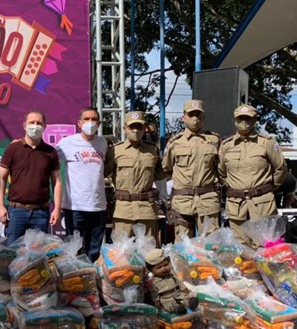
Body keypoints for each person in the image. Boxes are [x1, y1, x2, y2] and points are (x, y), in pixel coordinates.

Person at [218, 104, 287, 246]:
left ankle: (264, 269)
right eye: (240, 118)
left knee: (265, 245)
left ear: (255, 119)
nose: (244, 122)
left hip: (262, 202)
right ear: (235, 121)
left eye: (248, 118)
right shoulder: (226, 145)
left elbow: (280, 169)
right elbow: (221, 172)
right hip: (236, 204)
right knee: (240, 246)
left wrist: (268, 189)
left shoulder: (267, 143)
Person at [56, 107, 115, 261]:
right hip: (75, 206)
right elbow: (47, 157)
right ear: (79, 123)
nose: (90, 123)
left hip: (98, 206)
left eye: (94, 119)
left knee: (94, 251)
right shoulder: (68, 143)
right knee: (73, 251)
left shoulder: (103, 143)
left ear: (100, 123)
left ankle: (91, 279)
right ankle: (73, 281)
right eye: (87, 119)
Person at [0, 110, 62, 244]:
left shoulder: (51, 152)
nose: (35, 126)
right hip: (16, 211)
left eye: (39, 123)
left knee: (37, 256)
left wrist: (56, 209)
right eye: (31, 122)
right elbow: (2, 178)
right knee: (13, 253)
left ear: (45, 126)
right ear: (24, 125)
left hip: (41, 213)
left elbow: (56, 182)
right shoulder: (13, 148)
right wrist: (1, 206)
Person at [162, 100, 221, 239]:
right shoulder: (175, 143)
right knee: (182, 246)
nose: (195, 118)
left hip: (207, 199)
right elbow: (166, 168)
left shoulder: (214, 140)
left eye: (198, 115)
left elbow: (221, 168)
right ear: (184, 117)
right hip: (182, 200)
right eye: (191, 114)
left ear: (203, 118)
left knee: (211, 244)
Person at [112, 111, 166, 240]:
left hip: (146, 209)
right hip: (123, 209)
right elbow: (104, 173)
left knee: (149, 250)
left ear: (144, 129)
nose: (135, 131)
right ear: (125, 129)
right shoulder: (115, 151)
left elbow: (160, 173)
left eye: (139, 127)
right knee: (121, 252)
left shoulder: (152, 150)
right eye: (132, 127)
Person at [145, 248, 198, 314]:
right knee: (170, 304)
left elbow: (179, 282)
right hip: (166, 297)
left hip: (177, 293)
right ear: (151, 270)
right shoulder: (153, 282)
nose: (164, 268)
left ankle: (190, 303)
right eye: (159, 267)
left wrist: (184, 288)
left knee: (184, 298)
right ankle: (177, 309)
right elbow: (154, 293)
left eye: (166, 265)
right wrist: (156, 301)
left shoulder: (172, 276)